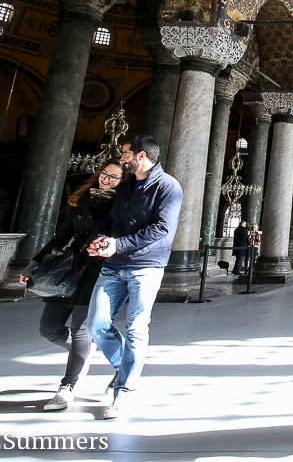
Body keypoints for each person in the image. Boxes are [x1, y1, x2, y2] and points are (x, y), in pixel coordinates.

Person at [86, 135, 183, 419]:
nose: (121, 159)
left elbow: (161, 229)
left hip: (146, 266)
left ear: (141, 156)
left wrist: (120, 244)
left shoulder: (168, 187)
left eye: (125, 154)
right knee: (96, 324)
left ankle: (125, 391)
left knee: (136, 328)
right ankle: (124, 365)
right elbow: (109, 221)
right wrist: (100, 239)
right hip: (113, 264)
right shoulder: (126, 185)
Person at [20, 159, 123, 410]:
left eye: (112, 177)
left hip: (98, 271)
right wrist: (34, 264)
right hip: (69, 268)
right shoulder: (82, 199)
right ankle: (84, 350)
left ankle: (68, 386)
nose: (105, 180)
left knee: (80, 329)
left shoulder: (124, 206)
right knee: (49, 328)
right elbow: (61, 236)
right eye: (103, 174)